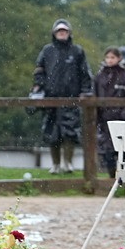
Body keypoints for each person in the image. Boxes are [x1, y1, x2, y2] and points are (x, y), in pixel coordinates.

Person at [33, 18, 93, 174]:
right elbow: (39, 71)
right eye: (59, 31)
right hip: (51, 98)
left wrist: (85, 92)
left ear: (69, 33)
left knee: (70, 133)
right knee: (52, 134)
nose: (62, 33)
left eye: (64, 31)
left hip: (71, 98)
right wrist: (39, 87)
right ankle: (55, 164)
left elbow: (85, 74)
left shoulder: (77, 51)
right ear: (54, 33)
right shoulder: (47, 51)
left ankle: (68, 163)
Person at [94, 46, 125, 178]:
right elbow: (94, 96)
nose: (109, 60)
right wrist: (97, 115)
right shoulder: (99, 77)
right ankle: (112, 178)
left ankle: (124, 178)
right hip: (104, 120)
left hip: (121, 119)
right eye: (107, 57)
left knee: (123, 150)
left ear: (119, 58)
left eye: (112, 57)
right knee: (107, 150)